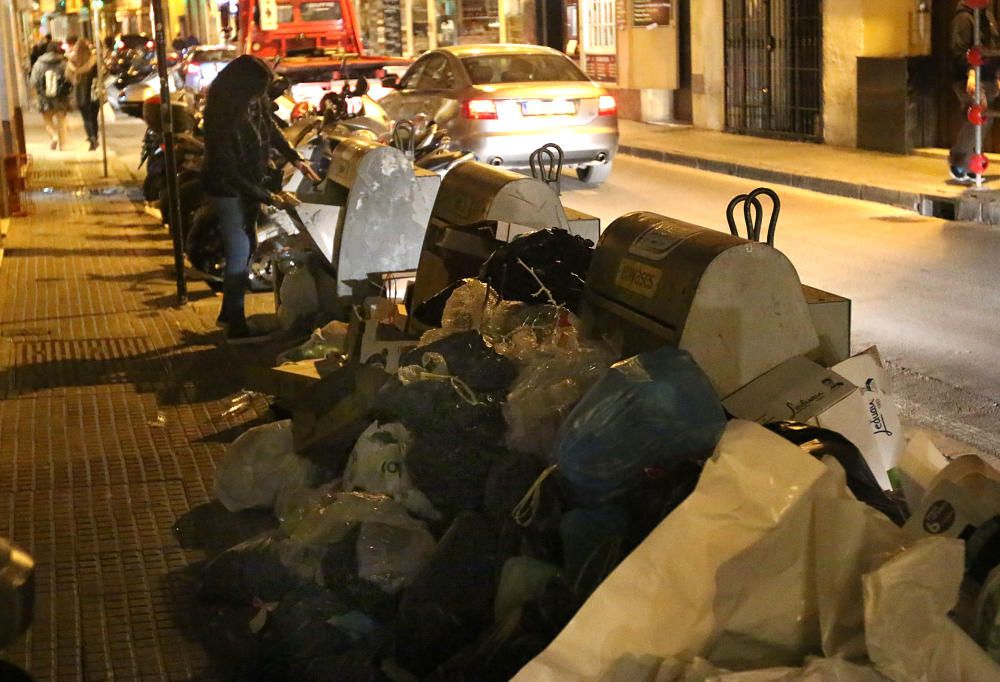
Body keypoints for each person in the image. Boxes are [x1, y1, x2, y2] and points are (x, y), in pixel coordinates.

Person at [201, 55, 321, 342]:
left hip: (247, 185)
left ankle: (229, 314)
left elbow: (270, 129)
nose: (261, 95)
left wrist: (295, 156)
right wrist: (268, 196)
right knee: (239, 253)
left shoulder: (251, 103)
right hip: (229, 190)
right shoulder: (223, 115)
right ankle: (236, 328)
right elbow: (228, 169)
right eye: (258, 89)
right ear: (243, 87)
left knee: (247, 247)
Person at [949, 0, 1000, 183]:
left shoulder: (986, 15)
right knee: (978, 115)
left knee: (985, 119)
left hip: (987, 76)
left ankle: (970, 162)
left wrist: (997, 75)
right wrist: (970, 72)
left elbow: (994, 45)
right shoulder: (964, 18)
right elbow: (959, 51)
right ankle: (959, 160)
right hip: (969, 77)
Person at [30, 43, 71, 150]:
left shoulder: (38, 64)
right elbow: (69, 78)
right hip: (60, 97)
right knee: (61, 121)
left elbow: (33, 81)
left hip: (44, 98)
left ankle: (53, 136)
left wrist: (37, 94)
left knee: (47, 120)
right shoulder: (63, 63)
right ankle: (63, 145)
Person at [66, 37, 100, 151]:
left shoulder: (73, 62)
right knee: (94, 117)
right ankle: (95, 136)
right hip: (93, 93)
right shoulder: (94, 60)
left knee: (86, 118)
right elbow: (101, 73)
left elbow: (68, 76)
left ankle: (91, 138)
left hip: (81, 94)